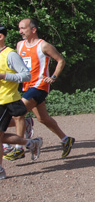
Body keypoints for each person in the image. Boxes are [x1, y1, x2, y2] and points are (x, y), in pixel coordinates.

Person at [10, 19, 74, 159]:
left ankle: (19, 148)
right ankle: (65, 139)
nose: (20, 31)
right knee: (43, 118)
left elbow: (61, 60)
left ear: (33, 30)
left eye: (23, 28)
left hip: (40, 86)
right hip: (27, 86)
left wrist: (54, 76)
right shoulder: (19, 45)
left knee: (18, 113)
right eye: (19, 28)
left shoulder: (43, 45)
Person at [0, 25, 43, 179]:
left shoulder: (10, 55)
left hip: (5, 100)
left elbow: (26, 76)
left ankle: (0, 170)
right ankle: (31, 143)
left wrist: (4, 76)